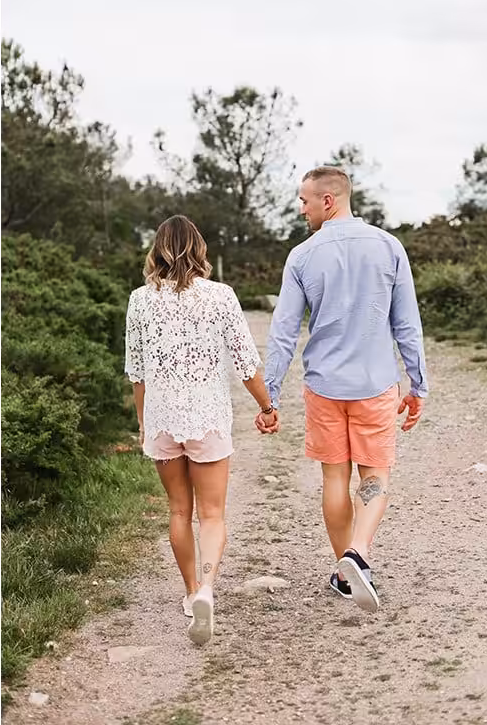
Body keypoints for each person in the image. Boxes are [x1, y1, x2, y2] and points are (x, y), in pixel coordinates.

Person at [265, 166, 428, 613]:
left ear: (328, 201)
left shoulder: (301, 256)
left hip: (324, 387)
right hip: (375, 385)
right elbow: (406, 324)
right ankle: (357, 553)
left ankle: (344, 570)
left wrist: (271, 394)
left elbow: (283, 332)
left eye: (304, 200)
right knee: (374, 476)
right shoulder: (389, 247)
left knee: (335, 478)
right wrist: (418, 383)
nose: (301, 208)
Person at [125, 215, 277, 646]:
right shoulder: (221, 296)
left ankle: (191, 593)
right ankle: (209, 587)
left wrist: (143, 423)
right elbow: (246, 363)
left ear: (157, 249)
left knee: (178, 511)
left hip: (161, 418)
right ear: (199, 250)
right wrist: (267, 406)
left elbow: (136, 373)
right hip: (207, 417)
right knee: (211, 514)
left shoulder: (139, 300)